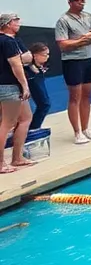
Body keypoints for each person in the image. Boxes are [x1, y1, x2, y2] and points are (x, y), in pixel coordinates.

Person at [55, 0, 91, 145]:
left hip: (88, 59)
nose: (82, 2)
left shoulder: (88, 17)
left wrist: (86, 38)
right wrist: (84, 39)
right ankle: (77, 132)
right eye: (79, 0)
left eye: (84, 0)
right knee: (75, 97)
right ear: (70, 2)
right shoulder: (63, 20)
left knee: (87, 95)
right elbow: (63, 45)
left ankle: (85, 128)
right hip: (72, 61)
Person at [0, 12, 34, 172]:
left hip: (4, 86)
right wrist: (25, 85)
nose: (19, 23)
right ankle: (1, 163)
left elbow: (28, 58)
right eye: (16, 21)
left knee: (26, 118)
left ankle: (17, 158)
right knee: (7, 124)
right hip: (9, 86)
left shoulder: (7, 41)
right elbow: (16, 65)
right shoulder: (8, 42)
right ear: (7, 24)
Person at [25, 42, 50, 130]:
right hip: (32, 82)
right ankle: (33, 128)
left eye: (48, 54)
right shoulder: (29, 69)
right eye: (44, 54)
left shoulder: (41, 67)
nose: (47, 56)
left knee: (45, 104)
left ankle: (34, 127)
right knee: (44, 104)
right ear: (35, 55)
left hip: (38, 79)